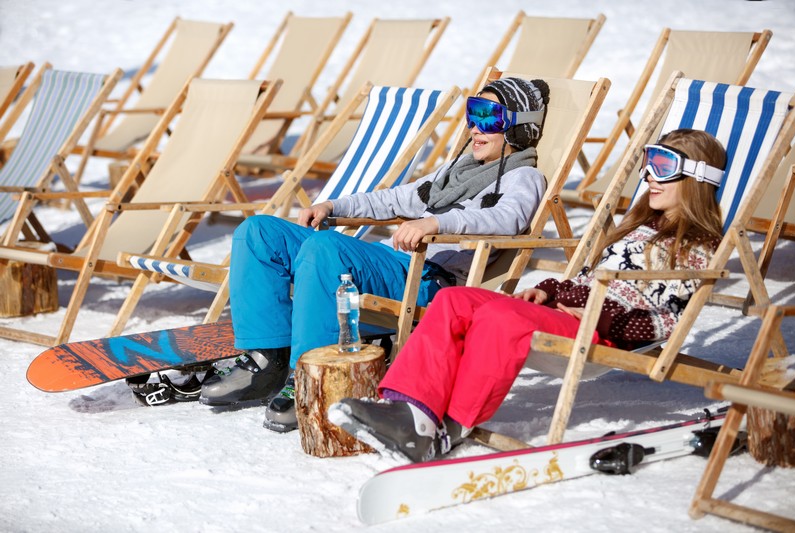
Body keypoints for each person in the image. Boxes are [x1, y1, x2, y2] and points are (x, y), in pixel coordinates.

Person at [329, 128, 727, 463]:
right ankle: (412, 409)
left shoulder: (697, 246)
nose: (650, 177)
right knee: (455, 300)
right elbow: (588, 280)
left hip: (600, 331)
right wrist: (549, 290)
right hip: (572, 314)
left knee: (500, 319)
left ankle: (451, 425)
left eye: (663, 167)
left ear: (697, 179)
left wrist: (596, 312)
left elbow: (665, 322)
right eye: (648, 164)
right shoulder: (639, 226)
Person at [199, 78, 551, 433]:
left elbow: (505, 219)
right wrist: (334, 204)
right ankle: (266, 358)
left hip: (429, 279)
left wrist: (435, 222)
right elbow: (394, 198)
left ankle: (311, 375)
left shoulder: (524, 177)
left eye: (489, 118)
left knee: (326, 248)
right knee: (259, 231)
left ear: (520, 129)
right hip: (394, 262)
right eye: (472, 114)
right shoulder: (455, 172)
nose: (475, 127)